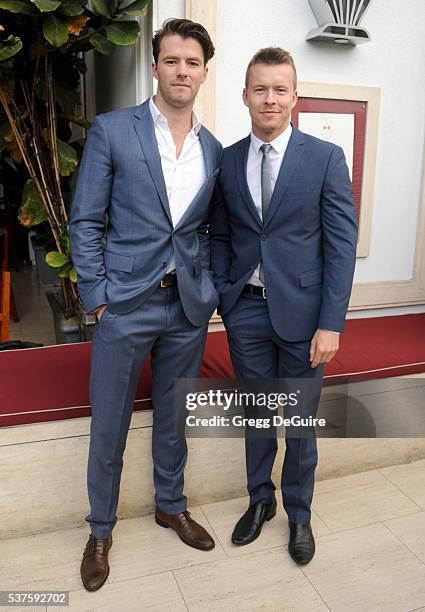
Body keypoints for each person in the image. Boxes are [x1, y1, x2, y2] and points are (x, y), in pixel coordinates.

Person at [70, 18, 222, 592]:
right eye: (172, 60)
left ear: (205, 73)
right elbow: (86, 220)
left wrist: (205, 289)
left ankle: (171, 505)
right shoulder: (114, 131)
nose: (182, 71)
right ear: (155, 65)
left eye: (193, 63)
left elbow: (207, 230)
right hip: (125, 306)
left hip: (185, 308)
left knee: (174, 419)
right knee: (109, 424)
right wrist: (99, 298)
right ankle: (101, 529)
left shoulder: (213, 148)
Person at [210, 47, 357, 564]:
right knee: (256, 416)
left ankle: (299, 514)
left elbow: (340, 246)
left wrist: (331, 324)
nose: (269, 99)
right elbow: (222, 234)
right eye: (260, 89)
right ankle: (259, 502)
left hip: (305, 318)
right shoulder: (227, 159)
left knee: (297, 423)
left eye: (279, 89)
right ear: (245, 95)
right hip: (245, 312)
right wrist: (227, 297)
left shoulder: (325, 158)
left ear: (295, 96)